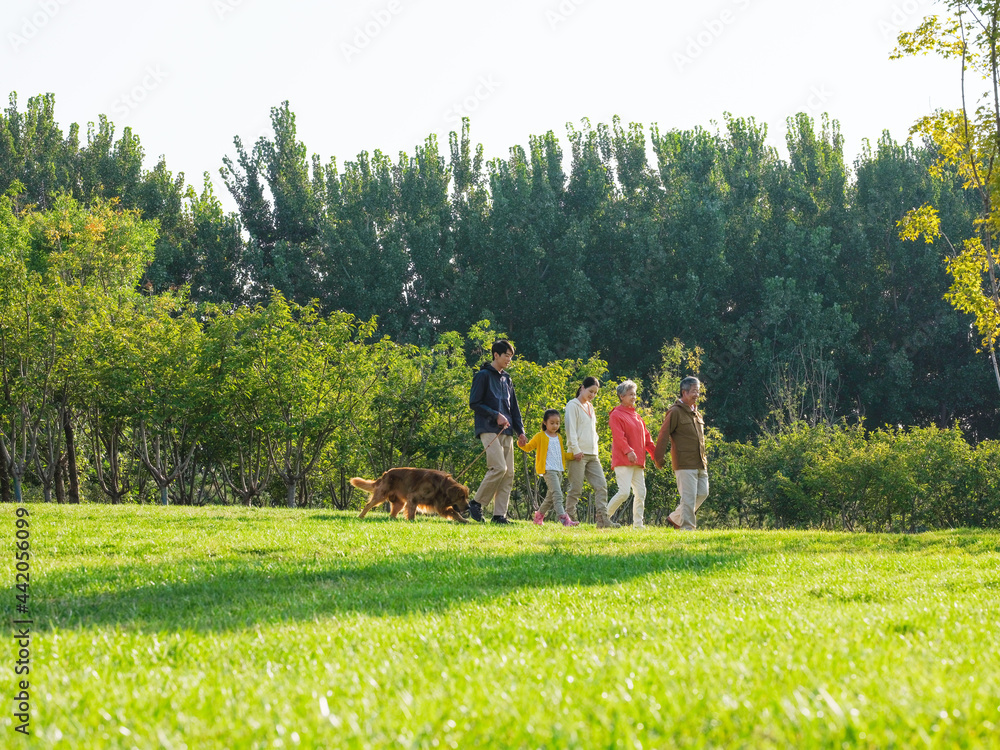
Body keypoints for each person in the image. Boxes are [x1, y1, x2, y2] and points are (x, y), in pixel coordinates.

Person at [468, 340, 527, 524]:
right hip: (487, 428)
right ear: (496, 355)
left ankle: (499, 515)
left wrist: (521, 431)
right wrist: (496, 416)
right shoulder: (482, 376)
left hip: (507, 431)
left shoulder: (507, 379)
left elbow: (514, 409)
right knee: (499, 468)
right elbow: (474, 403)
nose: (509, 359)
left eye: (511, 356)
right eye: (507, 355)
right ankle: (476, 503)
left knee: (508, 473)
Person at [653, 376, 708, 530]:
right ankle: (688, 529)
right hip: (684, 463)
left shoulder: (697, 413)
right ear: (684, 392)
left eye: (698, 391)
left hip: (700, 462)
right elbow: (663, 435)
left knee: (703, 493)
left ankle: (675, 518)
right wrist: (659, 458)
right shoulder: (675, 411)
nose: (697, 394)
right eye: (694, 391)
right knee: (688, 498)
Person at [564, 376, 616, 528]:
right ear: (582, 388)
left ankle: (603, 520)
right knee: (576, 488)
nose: (592, 395)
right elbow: (570, 429)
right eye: (590, 391)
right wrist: (575, 449)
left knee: (601, 485)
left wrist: (596, 448)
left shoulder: (590, 407)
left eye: (595, 393)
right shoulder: (572, 405)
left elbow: (592, 431)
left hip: (593, 454)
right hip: (577, 454)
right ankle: (569, 519)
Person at [606, 380, 656, 529]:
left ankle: (638, 525)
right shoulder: (616, 414)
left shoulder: (637, 416)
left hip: (638, 461)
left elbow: (647, 438)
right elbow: (618, 437)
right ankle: (603, 518)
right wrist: (628, 451)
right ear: (621, 396)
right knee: (624, 493)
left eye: (634, 394)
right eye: (630, 394)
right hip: (623, 460)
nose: (634, 397)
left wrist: (655, 455)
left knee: (641, 493)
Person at [518, 409, 580, 527]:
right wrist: (521, 444)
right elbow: (529, 447)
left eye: (557, 423)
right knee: (557, 494)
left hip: (559, 470)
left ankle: (538, 517)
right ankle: (564, 519)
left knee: (550, 498)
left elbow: (562, 454)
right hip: (548, 469)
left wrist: (573, 456)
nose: (555, 425)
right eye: (552, 423)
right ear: (545, 423)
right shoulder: (540, 436)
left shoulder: (559, 437)